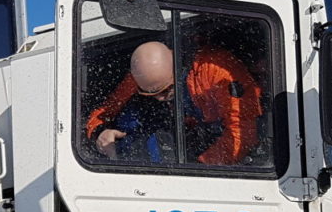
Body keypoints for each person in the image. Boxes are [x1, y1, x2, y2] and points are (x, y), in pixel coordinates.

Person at [86, 38, 262, 166]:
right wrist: (100, 134)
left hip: (218, 142)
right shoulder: (142, 76)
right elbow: (102, 112)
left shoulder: (216, 71)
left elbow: (243, 132)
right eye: (152, 94)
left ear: (177, 68)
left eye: (167, 90)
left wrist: (199, 168)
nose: (160, 98)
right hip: (181, 135)